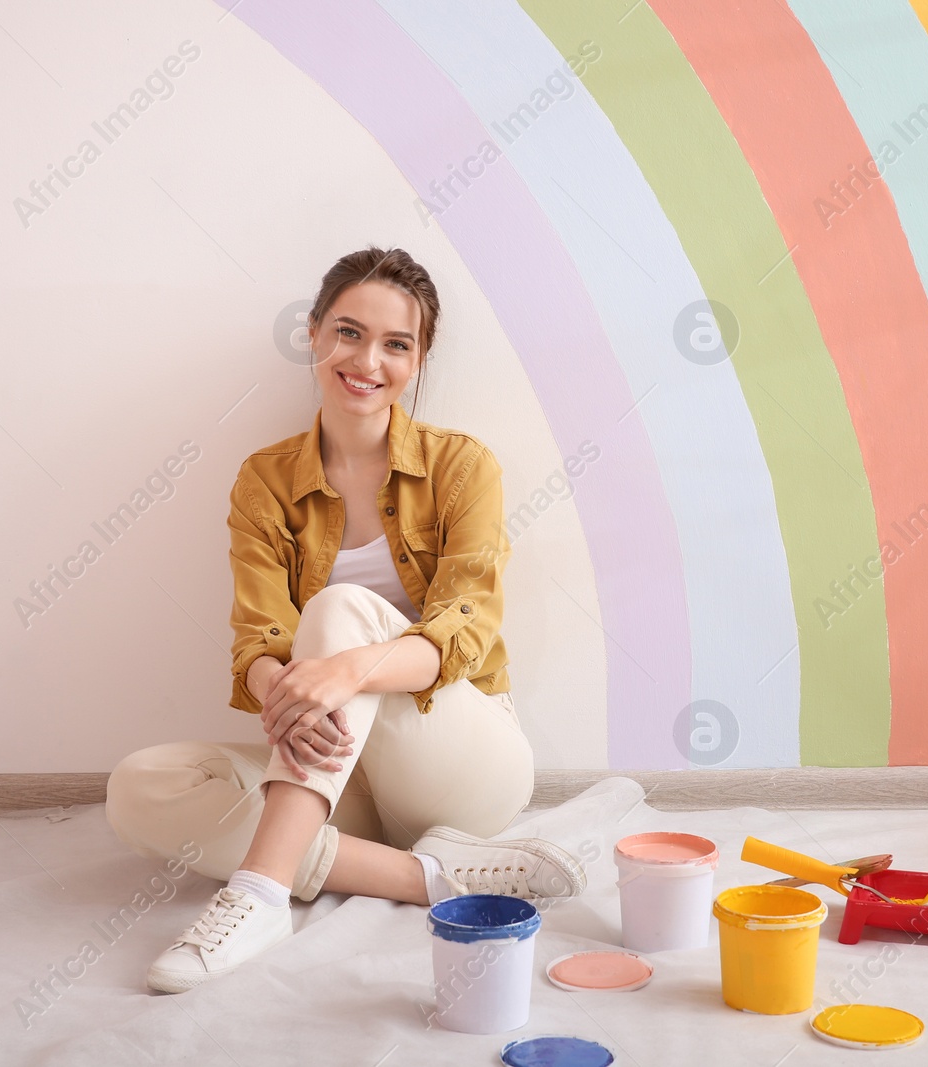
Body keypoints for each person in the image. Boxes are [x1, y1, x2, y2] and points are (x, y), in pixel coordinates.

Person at [104, 246, 587, 993]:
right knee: (139, 786)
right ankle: (427, 877)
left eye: (397, 344)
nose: (368, 359)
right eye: (349, 331)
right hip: (335, 767)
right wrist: (288, 694)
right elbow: (257, 642)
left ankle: (261, 893)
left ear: (420, 359)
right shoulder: (266, 480)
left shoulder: (463, 466)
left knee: (338, 611)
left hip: (460, 758)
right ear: (314, 333)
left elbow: (463, 632)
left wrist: (343, 669)